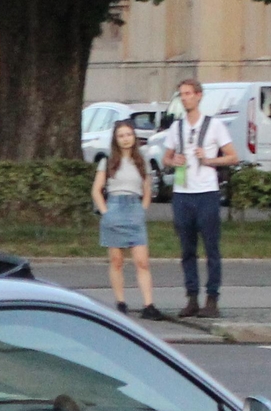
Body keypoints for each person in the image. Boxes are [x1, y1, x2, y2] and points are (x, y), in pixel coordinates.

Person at [157, 78, 237, 319]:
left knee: (211, 247)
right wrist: (173, 161)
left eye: (189, 94)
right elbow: (166, 158)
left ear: (199, 96)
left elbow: (233, 157)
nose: (185, 98)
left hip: (207, 193)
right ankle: (192, 297)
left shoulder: (214, 126)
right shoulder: (177, 127)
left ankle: (212, 299)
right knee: (187, 249)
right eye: (182, 94)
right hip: (183, 194)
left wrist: (210, 159)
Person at [92, 119, 165, 320]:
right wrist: (105, 212)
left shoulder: (142, 161)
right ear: (116, 139)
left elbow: (147, 190)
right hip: (114, 207)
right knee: (116, 261)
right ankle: (120, 302)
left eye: (129, 135)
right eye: (121, 136)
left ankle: (148, 305)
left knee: (142, 262)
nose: (125, 139)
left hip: (134, 208)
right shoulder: (107, 161)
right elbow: (96, 190)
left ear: (134, 137)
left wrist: (142, 209)